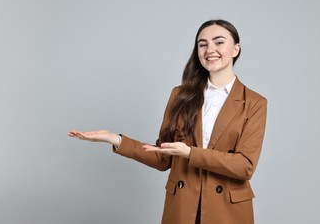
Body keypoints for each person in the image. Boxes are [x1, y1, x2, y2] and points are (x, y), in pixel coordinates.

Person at [68, 19, 267, 224]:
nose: (210, 49)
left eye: (219, 42)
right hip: (182, 207)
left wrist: (190, 153)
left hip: (227, 212)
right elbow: (163, 157)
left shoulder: (254, 103)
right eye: (202, 44)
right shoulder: (180, 95)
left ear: (235, 49)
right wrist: (116, 140)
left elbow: (244, 166)